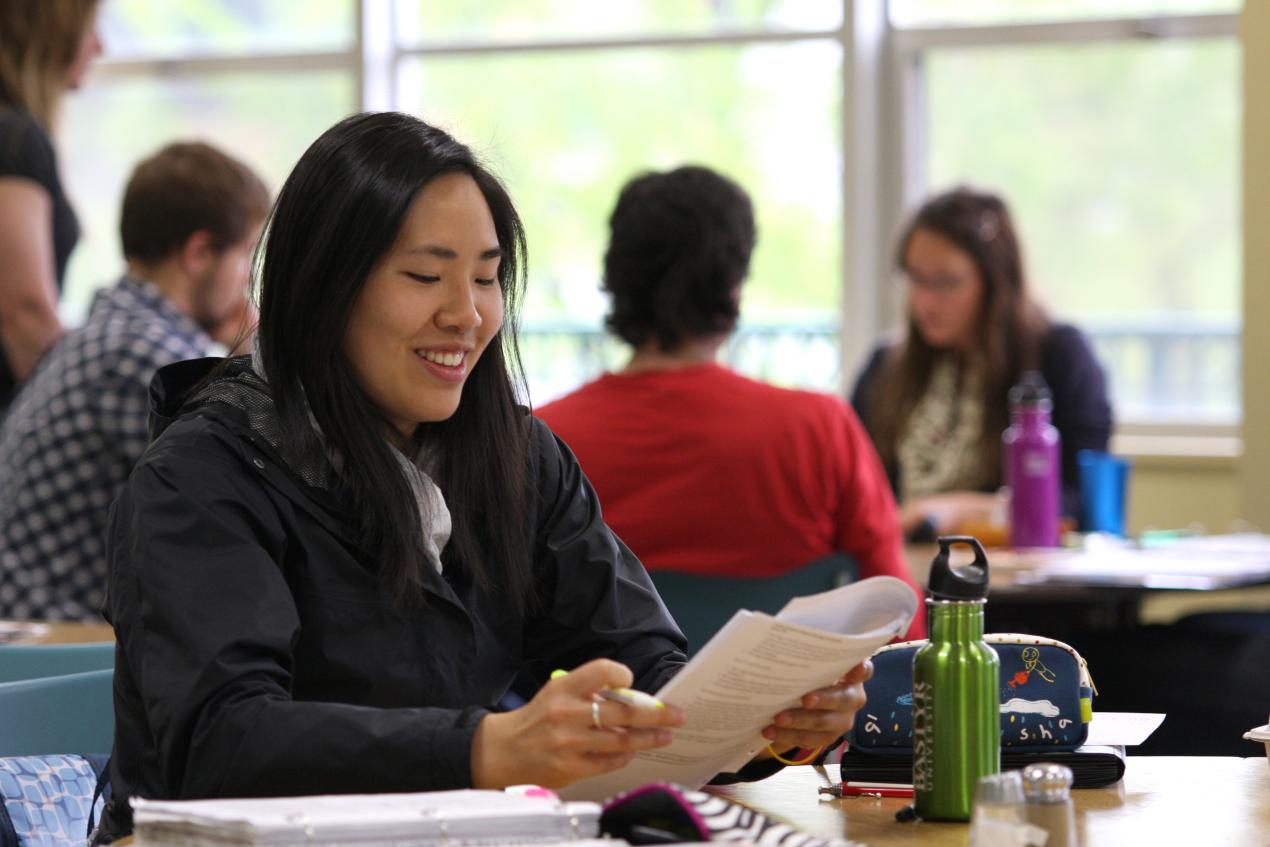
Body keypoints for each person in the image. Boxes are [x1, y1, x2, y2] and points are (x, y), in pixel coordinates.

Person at [95, 114, 873, 842]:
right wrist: (486, 746)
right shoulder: (200, 478)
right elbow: (221, 742)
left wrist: (763, 725)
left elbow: (645, 663)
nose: (467, 315)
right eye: (426, 277)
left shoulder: (515, 454)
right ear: (321, 286)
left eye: (488, 277)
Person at [535, 165, 924, 641]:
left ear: (615, 279)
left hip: (612, 709)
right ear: (734, 281)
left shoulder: (542, 442)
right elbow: (902, 619)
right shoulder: (820, 429)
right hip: (796, 711)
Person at [0, 141, 269, 621]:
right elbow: (265, 481)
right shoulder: (143, 357)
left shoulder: (109, 332)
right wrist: (254, 351)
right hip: (64, 641)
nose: (248, 281)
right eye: (246, 255)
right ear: (199, 252)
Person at [850, 187, 1112, 538]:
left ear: (995, 283)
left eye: (946, 282)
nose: (925, 301)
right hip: (905, 580)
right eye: (915, 279)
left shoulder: (1058, 355)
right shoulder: (885, 368)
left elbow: (1077, 501)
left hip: (1021, 584)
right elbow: (851, 490)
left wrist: (956, 510)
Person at [0, 0, 104, 413]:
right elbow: (23, 312)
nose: (101, 46)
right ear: (51, 36)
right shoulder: (14, 142)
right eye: (90, 29)